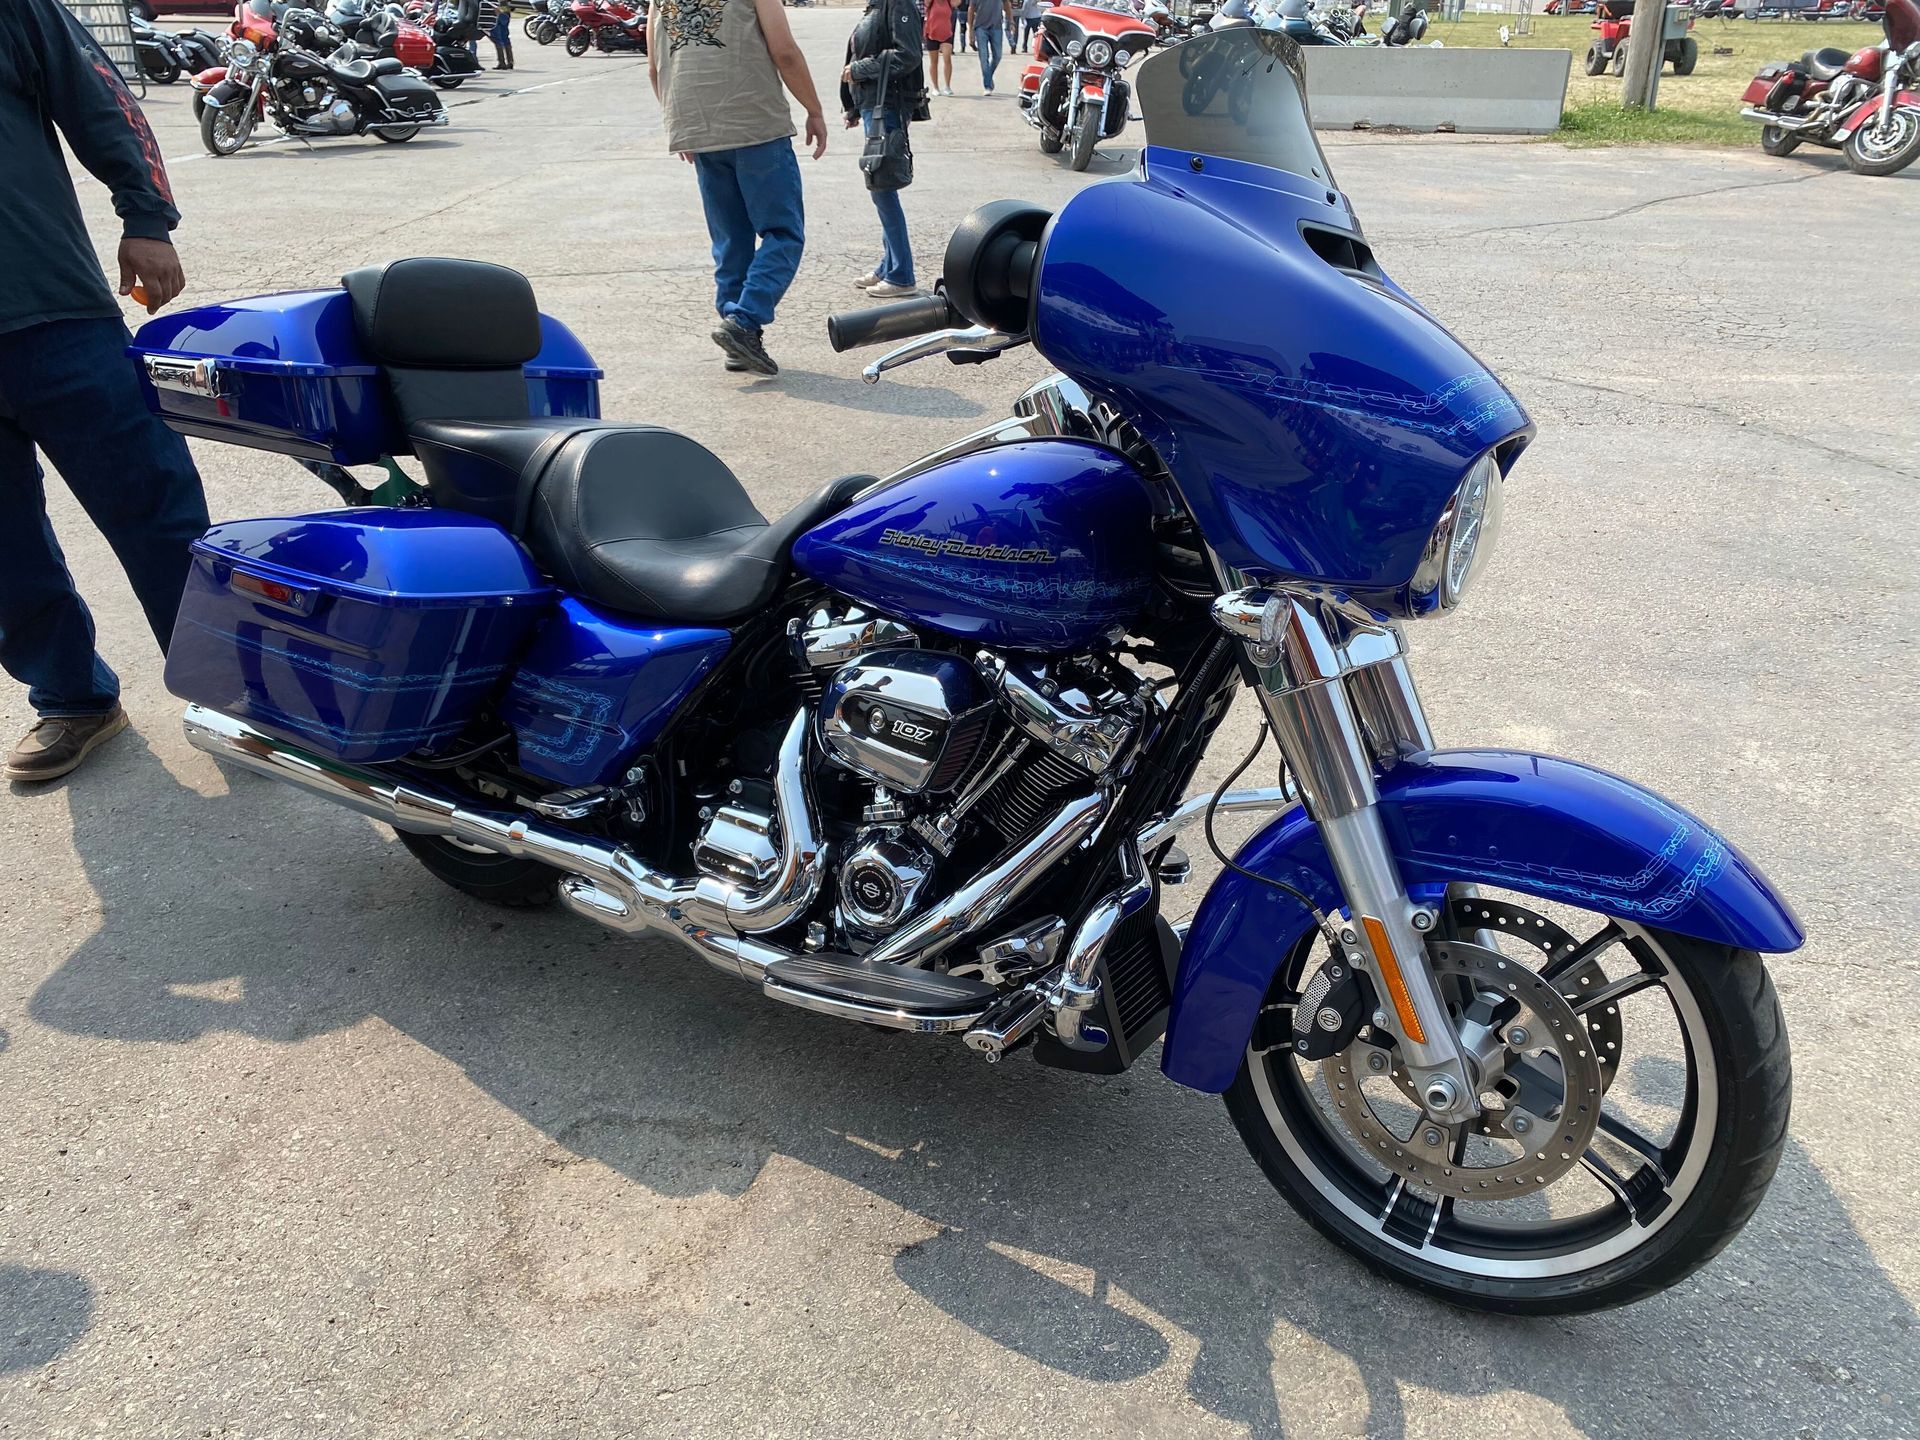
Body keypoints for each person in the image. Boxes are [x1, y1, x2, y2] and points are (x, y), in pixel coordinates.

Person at [0, 0, 209, 784]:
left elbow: (101, 101)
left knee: (155, 507)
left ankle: (229, 689)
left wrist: (146, 216)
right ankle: (73, 698)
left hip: (52, 313)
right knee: (5, 549)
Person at [649, 0, 829, 377]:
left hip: (699, 128)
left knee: (731, 239)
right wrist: (814, 109)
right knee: (783, 233)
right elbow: (784, 52)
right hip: (755, 125)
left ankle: (737, 343)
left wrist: (679, 122)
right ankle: (744, 322)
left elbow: (655, 68)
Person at [840, 0, 923, 297]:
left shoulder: (898, 4)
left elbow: (908, 55)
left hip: (888, 106)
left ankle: (902, 275)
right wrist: (853, 106)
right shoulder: (878, 6)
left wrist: (859, 70)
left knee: (882, 188)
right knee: (880, 187)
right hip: (874, 106)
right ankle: (890, 265)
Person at [972, 0, 1012, 89]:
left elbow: (1007, 4)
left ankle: (988, 77)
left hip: (996, 27)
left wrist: (1011, 21)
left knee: (998, 56)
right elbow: (971, 8)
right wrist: (971, 32)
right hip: (980, 27)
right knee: (984, 57)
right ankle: (987, 85)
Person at [923, 0, 953, 95]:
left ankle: (947, 86)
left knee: (947, 58)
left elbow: (958, 2)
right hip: (932, 33)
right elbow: (926, 2)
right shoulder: (931, 2)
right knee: (934, 61)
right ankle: (936, 87)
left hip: (946, 33)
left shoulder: (948, 2)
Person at [486, 0, 514, 68]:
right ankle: (510, 61)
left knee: (497, 38)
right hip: (505, 7)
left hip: (495, 9)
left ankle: (502, 62)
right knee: (505, 36)